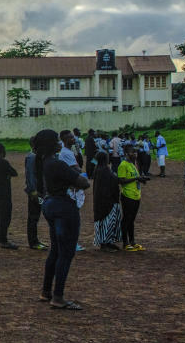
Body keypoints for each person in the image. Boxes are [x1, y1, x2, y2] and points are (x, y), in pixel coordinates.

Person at [34, 128, 90, 310]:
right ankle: (58, 297)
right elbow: (84, 183)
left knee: (55, 251)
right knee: (65, 253)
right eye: (57, 140)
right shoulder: (56, 164)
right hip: (63, 207)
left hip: (50, 205)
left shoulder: (43, 162)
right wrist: (75, 177)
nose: (60, 142)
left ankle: (46, 291)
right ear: (52, 144)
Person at [117, 144, 148, 251]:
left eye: (135, 152)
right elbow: (121, 181)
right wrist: (136, 178)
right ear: (126, 154)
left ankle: (133, 242)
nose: (135, 154)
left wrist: (141, 179)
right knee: (126, 219)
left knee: (132, 220)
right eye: (132, 152)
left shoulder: (133, 164)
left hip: (136, 195)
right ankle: (125, 243)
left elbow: (134, 178)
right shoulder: (123, 165)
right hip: (127, 196)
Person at [92, 151, 123, 252]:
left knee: (108, 222)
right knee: (107, 222)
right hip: (106, 200)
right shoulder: (104, 170)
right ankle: (104, 244)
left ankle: (108, 242)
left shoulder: (99, 169)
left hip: (102, 199)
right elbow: (114, 181)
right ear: (105, 159)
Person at [0, 143, 19, 249]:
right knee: (5, 216)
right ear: (3, 151)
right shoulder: (4, 162)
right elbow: (14, 173)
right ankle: (3, 240)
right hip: (5, 191)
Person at [23, 137, 47, 250]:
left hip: (40, 191)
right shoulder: (31, 157)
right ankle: (33, 242)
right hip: (35, 192)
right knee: (33, 216)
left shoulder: (36, 157)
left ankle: (35, 240)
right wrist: (33, 191)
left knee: (36, 216)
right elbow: (30, 176)